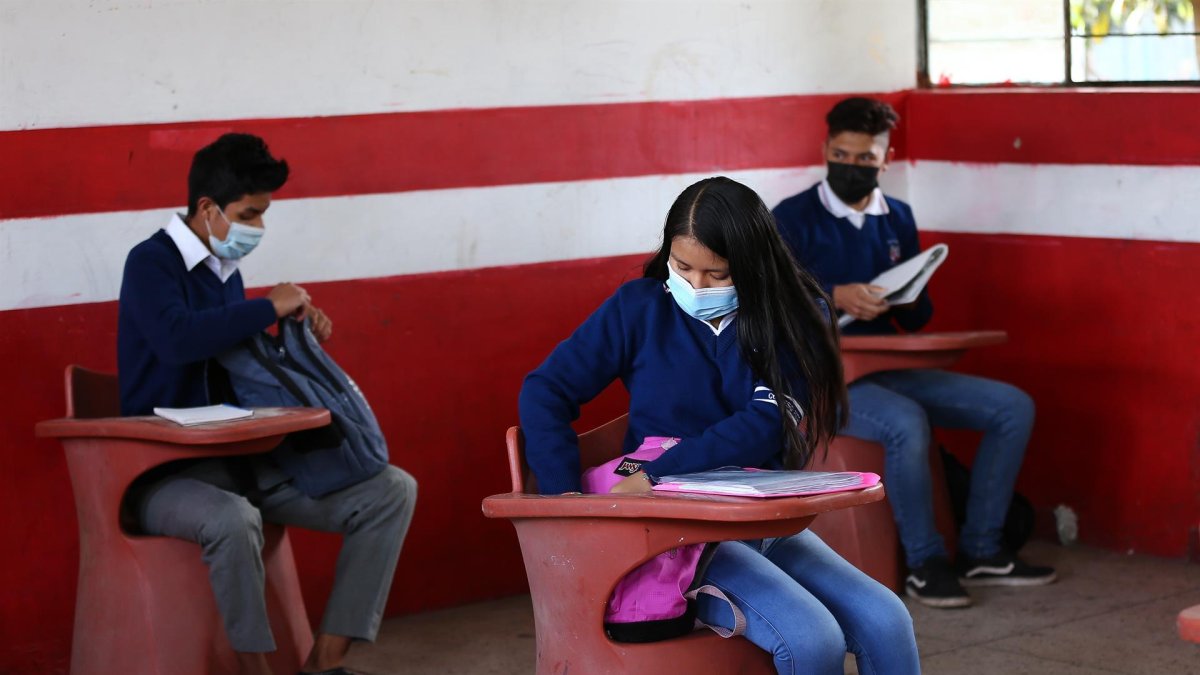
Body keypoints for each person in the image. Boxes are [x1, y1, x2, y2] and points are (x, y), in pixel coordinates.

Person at [519, 176, 919, 674]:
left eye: (717, 274)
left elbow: (766, 422)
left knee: (887, 620)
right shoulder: (639, 307)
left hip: (762, 521)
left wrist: (659, 471)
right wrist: (564, 498)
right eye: (682, 266)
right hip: (676, 536)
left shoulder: (796, 315)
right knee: (812, 637)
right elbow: (544, 390)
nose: (695, 286)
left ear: (753, 266)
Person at [117, 133, 417, 675]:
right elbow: (177, 340)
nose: (257, 227)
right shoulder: (150, 262)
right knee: (232, 520)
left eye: (262, 214)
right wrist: (264, 308)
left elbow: (241, 366)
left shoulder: (223, 272)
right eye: (248, 214)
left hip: (242, 465)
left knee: (390, 491)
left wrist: (293, 335)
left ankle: (324, 662)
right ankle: (256, 669)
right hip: (163, 473)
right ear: (207, 208)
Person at [771, 97, 1056, 609]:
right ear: (825, 149)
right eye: (841, 155)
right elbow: (768, 307)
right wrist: (833, 296)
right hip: (815, 376)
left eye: (865, 158)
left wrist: (909, 288)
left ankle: (983, 549)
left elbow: (917, 320)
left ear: (885, 159)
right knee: (905, 421)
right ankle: (926, 563)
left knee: (1012, 407)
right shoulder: (790, 217)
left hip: (887, 366)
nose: (851, 167)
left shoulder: (897, 216)